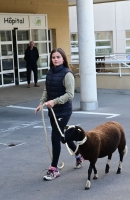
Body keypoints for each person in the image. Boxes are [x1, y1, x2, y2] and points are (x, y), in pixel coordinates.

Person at [35, 48, 84, 181]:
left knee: (55, 137)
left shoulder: (67, 74)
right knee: (63, 137)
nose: (55, 59)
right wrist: (41, 103)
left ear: (63, 58)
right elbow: (47, 90)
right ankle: (79, 155)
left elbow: (70, 94)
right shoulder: (50, 73)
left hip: (64, 111)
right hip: (52, 111)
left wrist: (55, 101)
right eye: (53, 57)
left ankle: (53, 169)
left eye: (58, 57)